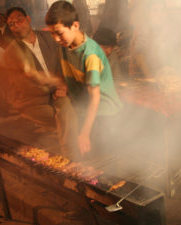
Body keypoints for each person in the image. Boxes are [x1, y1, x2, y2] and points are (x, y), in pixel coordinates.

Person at [45, 1, 123, 157]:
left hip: (103, 113)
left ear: (75, 26)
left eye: (59, 33)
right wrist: (62, 85)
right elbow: (64, 71)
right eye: (52, 33)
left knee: (101, 165)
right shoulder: (64, 45)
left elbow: (95, 97)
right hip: (84, 108)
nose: (55, 38)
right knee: (82, 160)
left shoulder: (90, 55)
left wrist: (85, 133)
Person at [4, 7, 78, 158]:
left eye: (19, 20)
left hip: (58, 92)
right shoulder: (10, 53)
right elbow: (24, 86)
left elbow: (67, 62)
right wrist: (54, 84)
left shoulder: (50, 38)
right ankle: (73, 158)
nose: (16, 25)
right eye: (11, 24)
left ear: (28, 19)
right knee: (63, 120)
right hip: (32, 100)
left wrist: (63, 85)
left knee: (67, 110)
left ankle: (72, 157)